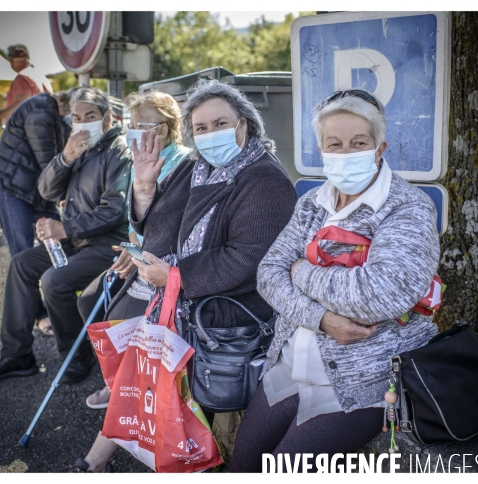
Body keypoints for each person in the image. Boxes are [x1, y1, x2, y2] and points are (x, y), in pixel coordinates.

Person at [73, 78, 298, 472]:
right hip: (181, 306)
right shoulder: (198, 167)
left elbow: (247, 259)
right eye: (201, 128)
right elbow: (156, 228)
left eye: (220, 123)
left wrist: (176, 276)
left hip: (224, 323)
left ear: (244, 124)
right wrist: (143, 188)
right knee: (142, 385)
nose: (210, 134)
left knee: (209, 422)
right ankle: (94, 462)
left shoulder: (266, 181)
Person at [230, 89, 441, 472]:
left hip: (364, 382)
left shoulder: (408, 207)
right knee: (243, 463)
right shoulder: (312, 203)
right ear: (321, 149)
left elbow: (377, 296)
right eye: (335, 144)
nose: (345, 153)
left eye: (358, 142)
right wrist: (322, 318)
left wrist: (300, 270)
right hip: (290, 365)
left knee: (284, 470)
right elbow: (268, 274)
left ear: (380, 147)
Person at [0, 87, 133, 385]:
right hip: (77, 240)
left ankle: (78, 355)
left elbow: (114, 210)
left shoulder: (118, 151)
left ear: (107, 118)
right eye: (76, 117)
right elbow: (46, 190)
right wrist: (65, 159)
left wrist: (65, 228)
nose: (83, 122)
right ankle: (17, 354)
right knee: (22, 264)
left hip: (106, 244)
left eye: (90, 116)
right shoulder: (79, 148)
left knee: (54, 281)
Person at [77, 90, 191, 410]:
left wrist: (138, 250)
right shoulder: (139, 160)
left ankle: (127, 388)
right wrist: (132, 246)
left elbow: (169, 223)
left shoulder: (180, 161)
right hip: (138, 252)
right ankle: (116, 380)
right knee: (90, 300)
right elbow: (134, 217)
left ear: (164, 129)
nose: (136, 129)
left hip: (163, 261)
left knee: (116, 311)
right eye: (133, 123)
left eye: (145, 124)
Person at [0, 88, 76, 257]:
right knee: (21, 248)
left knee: (57, 243)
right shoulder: (42, 110)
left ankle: (50, 280)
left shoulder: (53, 111)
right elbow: (48, 162)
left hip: (36, 187)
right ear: (71, 105)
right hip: (11, 185)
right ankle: (24, 283)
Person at [0, 44, 53, 126]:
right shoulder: (41, 77)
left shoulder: (22, 78)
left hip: (31, 130)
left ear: (11, 61)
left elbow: (20, 106)